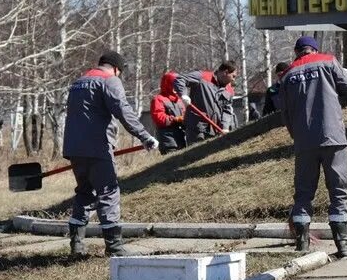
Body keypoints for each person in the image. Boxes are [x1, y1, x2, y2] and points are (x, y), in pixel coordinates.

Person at [63, 51, 158, 258]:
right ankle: (114, 247)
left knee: (84, 192)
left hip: (74, 149)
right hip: (98, 147)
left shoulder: (78, 82)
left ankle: (76, 247)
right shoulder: (109, 81)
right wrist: (144, 136)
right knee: (108, 192)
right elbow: (122, 111)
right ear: (116, 68)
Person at [280, 36, 347, 257]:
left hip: (304, 142)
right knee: (339, 191)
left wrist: (297, 136)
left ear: (297, 51)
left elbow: (284, 113)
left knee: (303, 193)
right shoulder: (328, 61)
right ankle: (343, 243)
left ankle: (302, 243)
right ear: (314, 49)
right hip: (332, 137)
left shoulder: (287, 75)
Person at [174, 61, 237, 143]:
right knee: (195, 154)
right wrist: (183, 95)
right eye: (233, 76)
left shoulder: (229, 90)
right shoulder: (202, 76)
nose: (233, 79)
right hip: (196, 128)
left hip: (215, 131)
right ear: (226, 72)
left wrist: (225, 127)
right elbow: (180, 79)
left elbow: (227, 110)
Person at [150, 71, 186, 154]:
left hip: (181, 138)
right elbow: (158, 118)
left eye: (178, 84)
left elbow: (184, 114)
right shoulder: (158, 99)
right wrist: (175, 119)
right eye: (174, 84)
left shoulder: (179, 100)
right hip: (168, 140)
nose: (176, 87)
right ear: (167, 84)